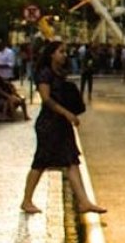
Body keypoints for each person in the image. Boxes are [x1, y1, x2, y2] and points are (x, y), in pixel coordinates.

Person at [20, 41, 105, 215]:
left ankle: (84, 202)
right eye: (61, 51)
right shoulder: (44, 74)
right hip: (49, 123)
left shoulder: (59, 73)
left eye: (65, 52)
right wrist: (66, 113)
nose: (64, 55)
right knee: (41, 162)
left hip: (61, 124)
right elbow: (46, 99)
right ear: (52, 54)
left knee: (72, 161)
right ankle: (26, 200)